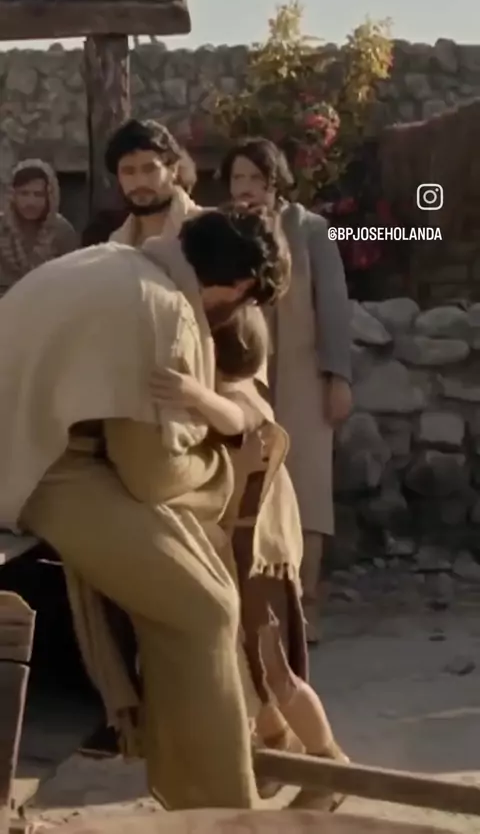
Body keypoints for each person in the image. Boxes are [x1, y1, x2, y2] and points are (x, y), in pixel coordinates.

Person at [0, 205, 289, 811]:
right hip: (40, 470)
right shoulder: (167, 310)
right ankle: (217, 811)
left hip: (35, 453)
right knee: (205, 608)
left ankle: (188, 785)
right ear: (238, 287)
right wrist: (220, 468)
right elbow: (151, 474)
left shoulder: (110, 260)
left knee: (197, 588)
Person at [151, 305, 349, 811]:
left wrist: (195, 394)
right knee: (251, 663)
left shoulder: (238, 398)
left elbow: (237, 420)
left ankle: (329, 766)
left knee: (275, 670)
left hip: (262, 558)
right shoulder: (240, 389)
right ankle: (277, 744)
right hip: (248, 553)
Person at [220, 137, 353, 644]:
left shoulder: (310, 229)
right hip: (241, 374)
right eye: (238, 178)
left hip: (301, 370)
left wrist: (337, 376)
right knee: (245, 483)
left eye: (256, 178)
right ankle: (253, 606)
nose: (246, 188)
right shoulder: (222, 232)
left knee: (306, 484)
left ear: (275, 182)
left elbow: (333, 306)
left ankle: (305, 602)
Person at [105, 118, 199, 246]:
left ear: (173, 169)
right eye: (128, 171)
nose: (140, 182)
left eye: (150, 169)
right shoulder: (116, 242)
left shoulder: (208, 232)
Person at [0, 158, 78, 296]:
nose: (31, 202)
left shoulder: (63, 232)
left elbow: (73, 282)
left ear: (50, 197)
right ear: (12, 195)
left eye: (38, 194)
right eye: (24, 193)